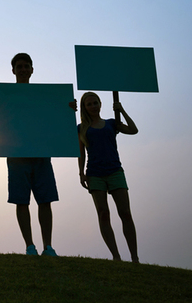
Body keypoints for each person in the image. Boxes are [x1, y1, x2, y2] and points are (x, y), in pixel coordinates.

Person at [0, 53, 71, 256]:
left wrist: (68, 108)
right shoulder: (4, 95)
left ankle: (48, 246)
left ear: (32, 69)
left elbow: (56, 114)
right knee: (21, 201)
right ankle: (29, 246)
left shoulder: (44, 96)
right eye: (19, 66)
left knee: (45, 201)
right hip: (16, 156)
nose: (23, 69)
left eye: (26, 66)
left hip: (41, 155)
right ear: (13, 70)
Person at [78, 92, 139, 263]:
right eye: (89, 104)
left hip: (115, 172)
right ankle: (116, 256)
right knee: (103, 214)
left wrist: (122, 110)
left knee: (125, 213)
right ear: (85, 107)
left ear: (100, 104)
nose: (93, 106)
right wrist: (81, 172)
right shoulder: (81, 128)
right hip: (95, 174)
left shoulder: (112, 123)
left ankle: (135, 257)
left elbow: (133, 130)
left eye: (95, 103)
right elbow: (80, 153)